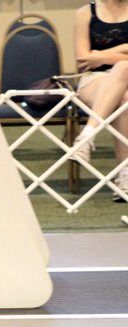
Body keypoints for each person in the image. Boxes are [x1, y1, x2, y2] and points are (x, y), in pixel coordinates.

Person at [74, 0, 128, 202]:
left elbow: (94, 58)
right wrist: (123, 51)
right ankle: (125, 174)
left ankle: (87, 136)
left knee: (123, 74)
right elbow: (82, 58)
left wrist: (102, 56)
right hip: (94, 80)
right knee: (122, 92)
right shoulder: (85, 13)